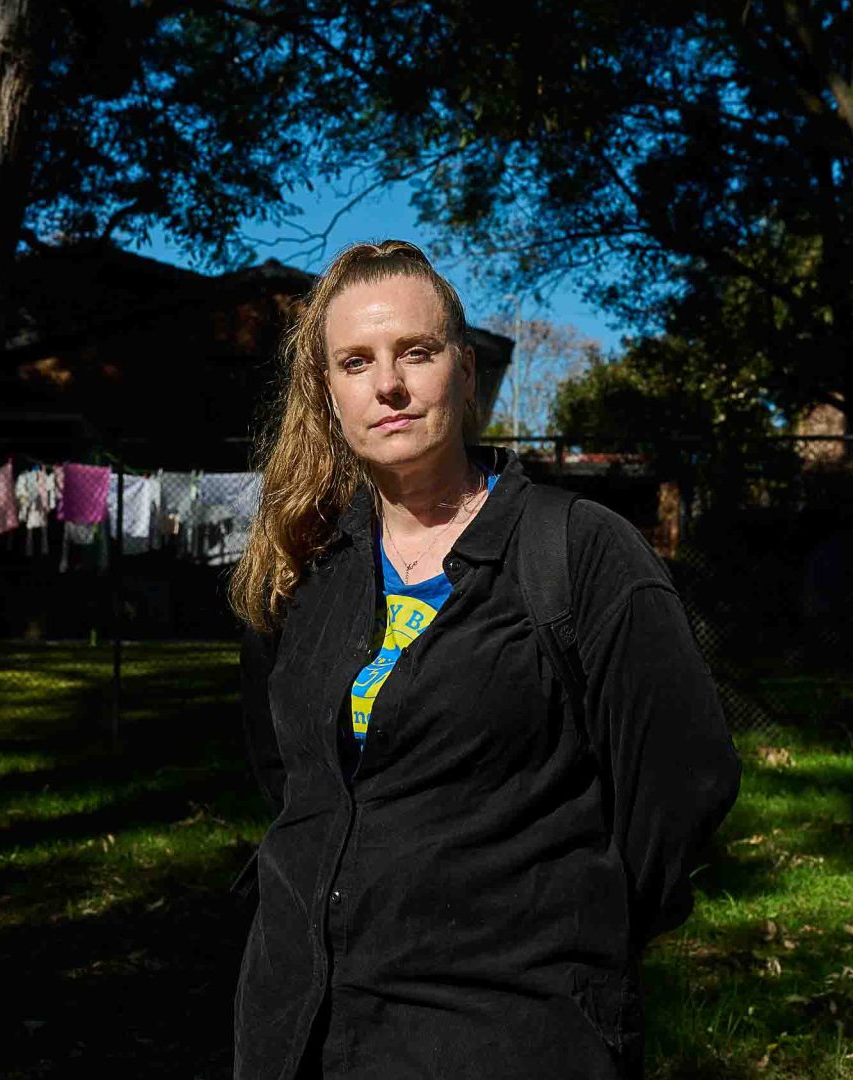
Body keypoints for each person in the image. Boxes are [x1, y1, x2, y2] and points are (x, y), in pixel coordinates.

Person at [227, 240, 741, 1080]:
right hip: (297, 1033)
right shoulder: (302, 567)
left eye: (415, 353)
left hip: (507, 1034)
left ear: (465, 373)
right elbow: (291, 778)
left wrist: (569, 939)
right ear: (328, 393)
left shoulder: (578, 553)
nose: (386, 384)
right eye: (355, 362)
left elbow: (681, 787)